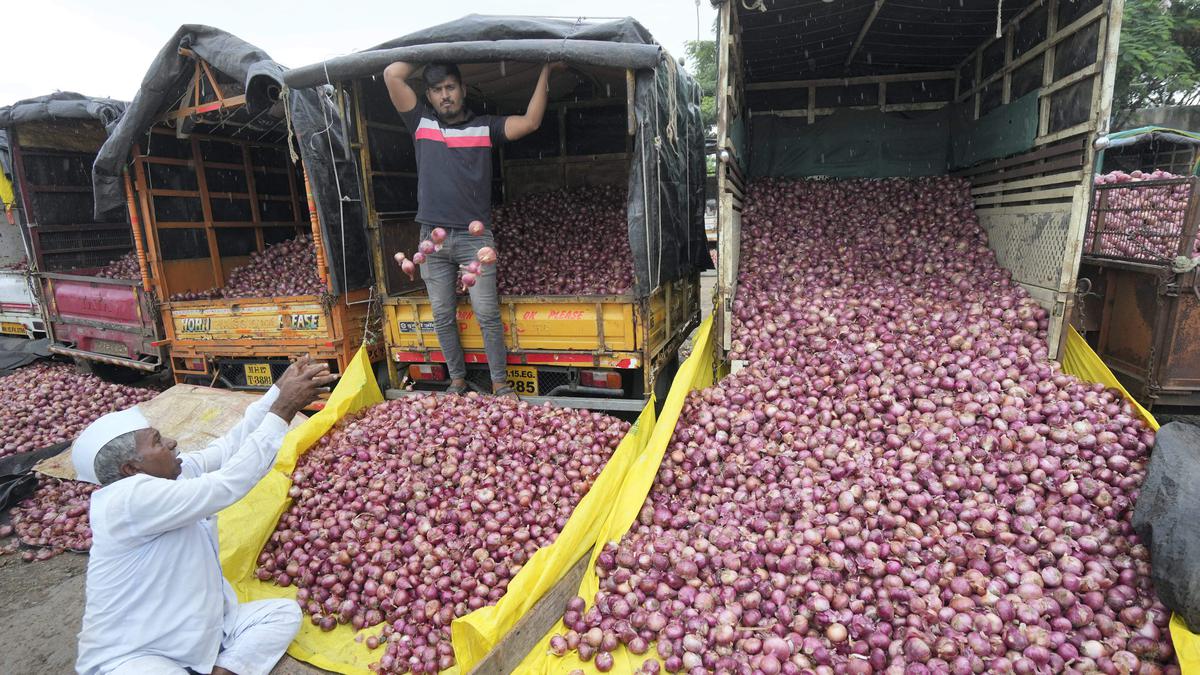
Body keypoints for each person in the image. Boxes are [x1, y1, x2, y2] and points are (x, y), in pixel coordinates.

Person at [73, 355, 338, 675]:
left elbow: (229, 448)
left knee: (282, 614)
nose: (171, 443)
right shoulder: (126, 501)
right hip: (137, 652)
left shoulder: (172, 476)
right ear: (132, 468)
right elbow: (229, 484)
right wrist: (284, 410)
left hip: (204, 629)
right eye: (158, 442)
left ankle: (219, 670)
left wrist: (278, 392)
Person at [383, 60, 558, 397]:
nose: (445, 96)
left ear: (463, 89)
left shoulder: (485, 128)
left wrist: (545, 71)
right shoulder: (420, 122)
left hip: (474, 241)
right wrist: (433, 50)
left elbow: (531, 122)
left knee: (487, 313)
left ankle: (500, 384)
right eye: (437, 90)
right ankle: (457, 380)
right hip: (432, 241)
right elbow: (392, 74)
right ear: (429, 96)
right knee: (443, 315)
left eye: (450, 87)